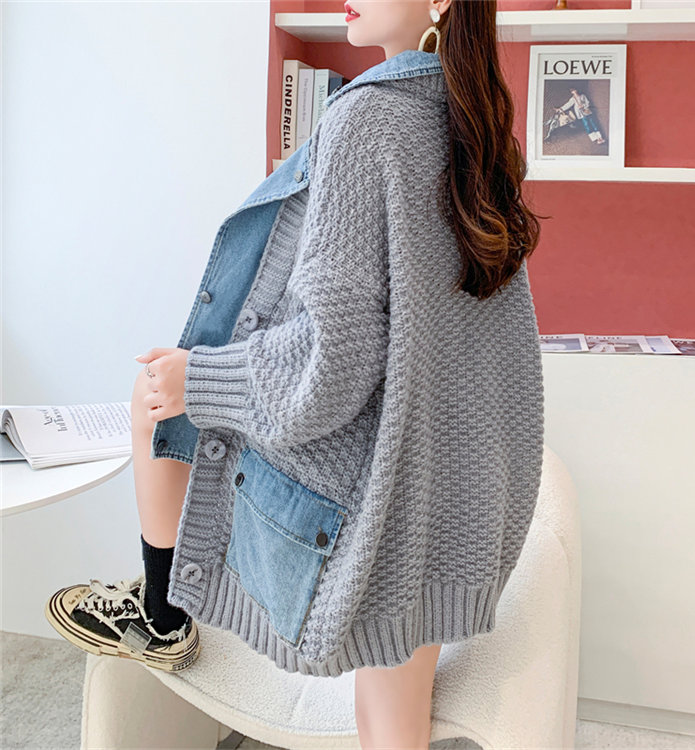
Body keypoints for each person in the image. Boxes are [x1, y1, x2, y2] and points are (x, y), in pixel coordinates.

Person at [45, 1, 546, 747]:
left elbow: (328, 366)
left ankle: (162, 615)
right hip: (460, 504)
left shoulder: (364, 120)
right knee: (393, 721)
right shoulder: (477, 125)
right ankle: (162, 608)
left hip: (369, 511)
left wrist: (200, 380)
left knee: (155, 395)